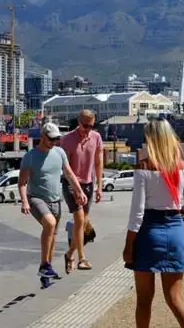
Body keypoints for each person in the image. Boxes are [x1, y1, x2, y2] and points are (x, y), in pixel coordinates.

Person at [123, 119, 184, 328]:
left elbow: (137, 214)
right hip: (175, 230)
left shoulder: (143, 167)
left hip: (148, 232)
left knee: (144, 300)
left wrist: (128, 246)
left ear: (151, 141)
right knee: (175, 298)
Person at [18, 123, 87, 286]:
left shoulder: (60, 152)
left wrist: (79, 191)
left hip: (56, 199)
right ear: (42, 136)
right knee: (50, 223)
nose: (54, 142)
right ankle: (44, 265)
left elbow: (69, 174)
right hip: (36, 198)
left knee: (53, 237)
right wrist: (25, 201)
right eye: (51, 139)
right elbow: (22, 183)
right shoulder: (31, 156)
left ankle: (45, 275)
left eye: (57, 139)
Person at [59, 110, 103, 274]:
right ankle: (82, 259)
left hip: (89, 184)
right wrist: (77, 189)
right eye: (85, 126)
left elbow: (98, 162)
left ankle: (70, 254)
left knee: (83, 223)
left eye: (91, 126)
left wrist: (99, 186)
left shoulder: (96, 137)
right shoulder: (67, 140)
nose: (88, 129)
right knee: (78, 219)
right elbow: (66, 168)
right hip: (71, 183)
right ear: (79, 122)